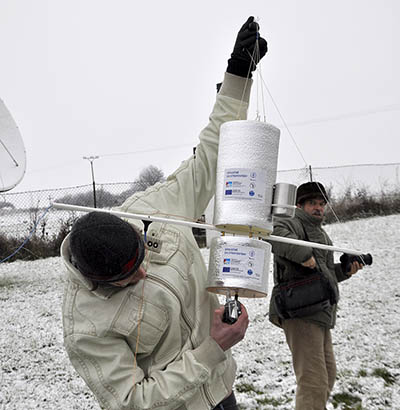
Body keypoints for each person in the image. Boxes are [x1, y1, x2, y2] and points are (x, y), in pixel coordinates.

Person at [61, 17, 268, 410]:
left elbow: (209, 156)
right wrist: (211, 350)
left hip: (222, 390)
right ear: (98, 281)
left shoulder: (150, 211)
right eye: (128, 277)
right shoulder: (85, 327)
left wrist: (238, 74)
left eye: (142, 258)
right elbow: (133, 401)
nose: (143, 274)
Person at [268, 181, 363, 410]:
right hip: (300, 311)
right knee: (313, 381)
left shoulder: (321, 234)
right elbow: (274, 235)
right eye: (312, 203)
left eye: (321, 203)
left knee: (327, 376)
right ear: (300, 205)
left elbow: (323, 275)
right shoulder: (291, 222)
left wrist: (345, 271)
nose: (318, 208)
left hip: (319, 312)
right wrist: (303, 254)